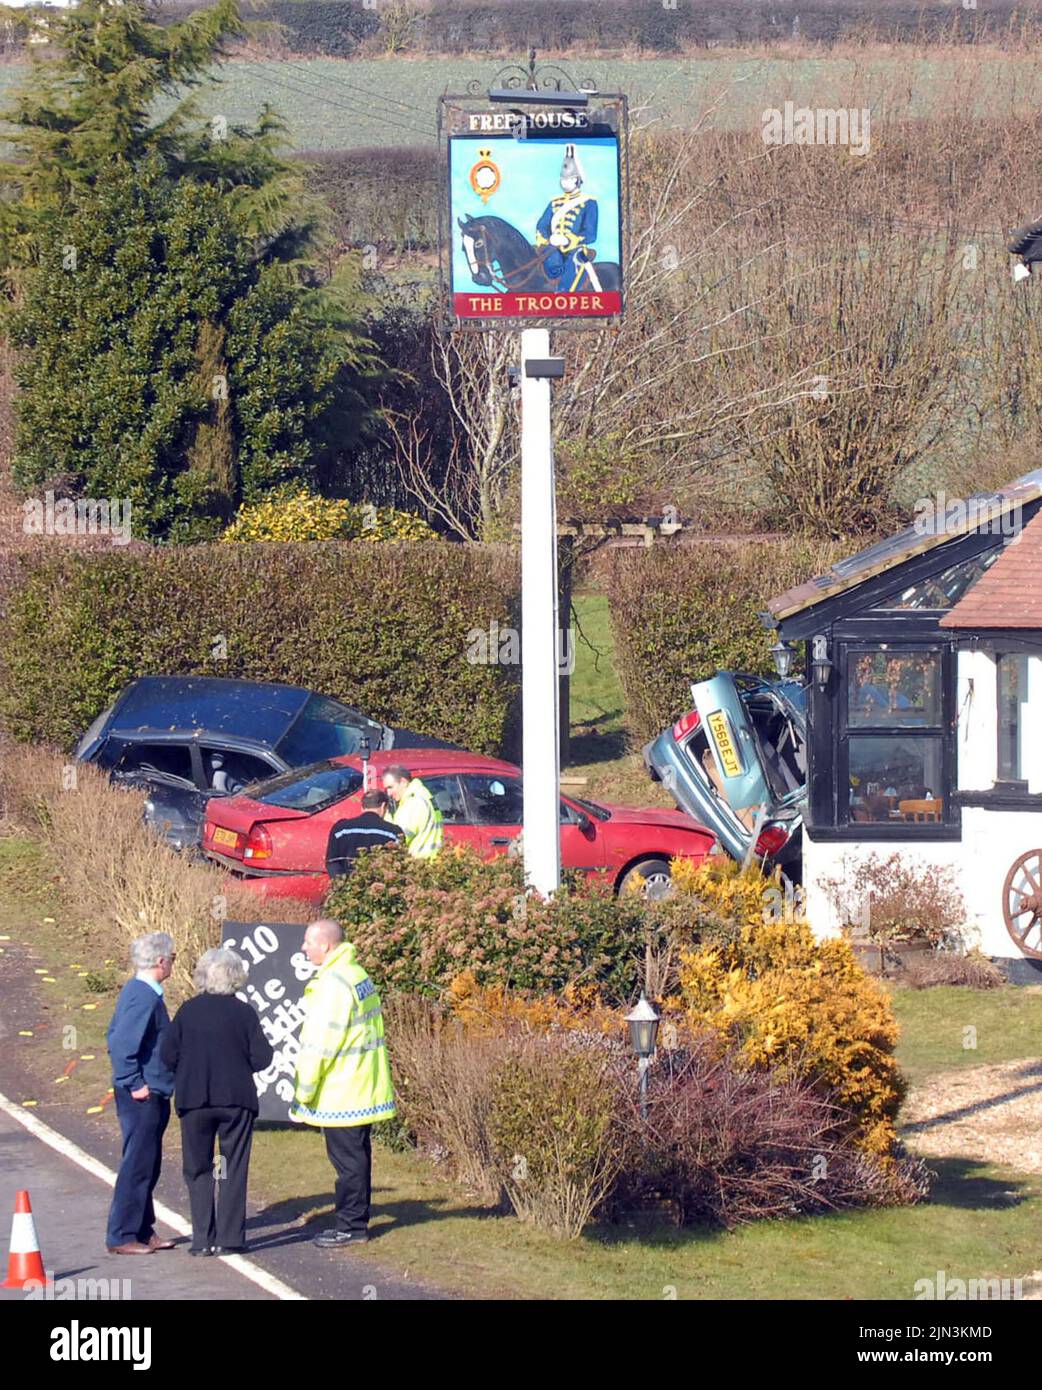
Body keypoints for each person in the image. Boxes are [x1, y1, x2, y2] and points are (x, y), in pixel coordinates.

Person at [159, 948, 273, 1256]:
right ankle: (230, 1237)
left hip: (195, 1098)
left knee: (198, 1167)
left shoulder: (187, 1011)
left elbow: (167, 1055)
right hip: (236, 1099)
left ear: (202, 977)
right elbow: (262, 1057)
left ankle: (202, 1239)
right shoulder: (244, 1013)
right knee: (233, 1166)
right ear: (236, 978)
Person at [290, 919, 396, 1249]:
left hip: (342, 1090)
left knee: (348, 1162)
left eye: (309, 942)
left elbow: (321, 1044)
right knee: (358, 1157)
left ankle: (350, 1226)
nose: (304, 948)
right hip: (363, 1083)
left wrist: (303, 1091)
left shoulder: (333, 985)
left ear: (327, 946)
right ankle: (355, 1219)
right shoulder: (356, 974)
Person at [105, 932, 178, 1256]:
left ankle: (143, 1228)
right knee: (137, 1164)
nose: (173, 962)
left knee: (148, 1163)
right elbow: (121, 1043)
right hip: (142, 1095)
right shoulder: (143, 997)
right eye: (172, 958)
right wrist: (135, 1084)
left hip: (153, 1090)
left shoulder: (140, 992)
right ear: (160, 961)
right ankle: (121, 1234)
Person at [325, 789, 404, 878]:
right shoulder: (393, 832)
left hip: (346, 886)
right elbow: (399, 864)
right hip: (379, 887)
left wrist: (342, 883)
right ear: (383, 806)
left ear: (362, 807)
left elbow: (332, 862)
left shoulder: (340, 829)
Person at [381, 764, 443, 859]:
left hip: (418, 862)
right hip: (430, 860)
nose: (388, 793)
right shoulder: (422, 794)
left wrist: (385, 819)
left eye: (391, 787)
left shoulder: (414, 803)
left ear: (403, 782)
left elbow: (400, 838)